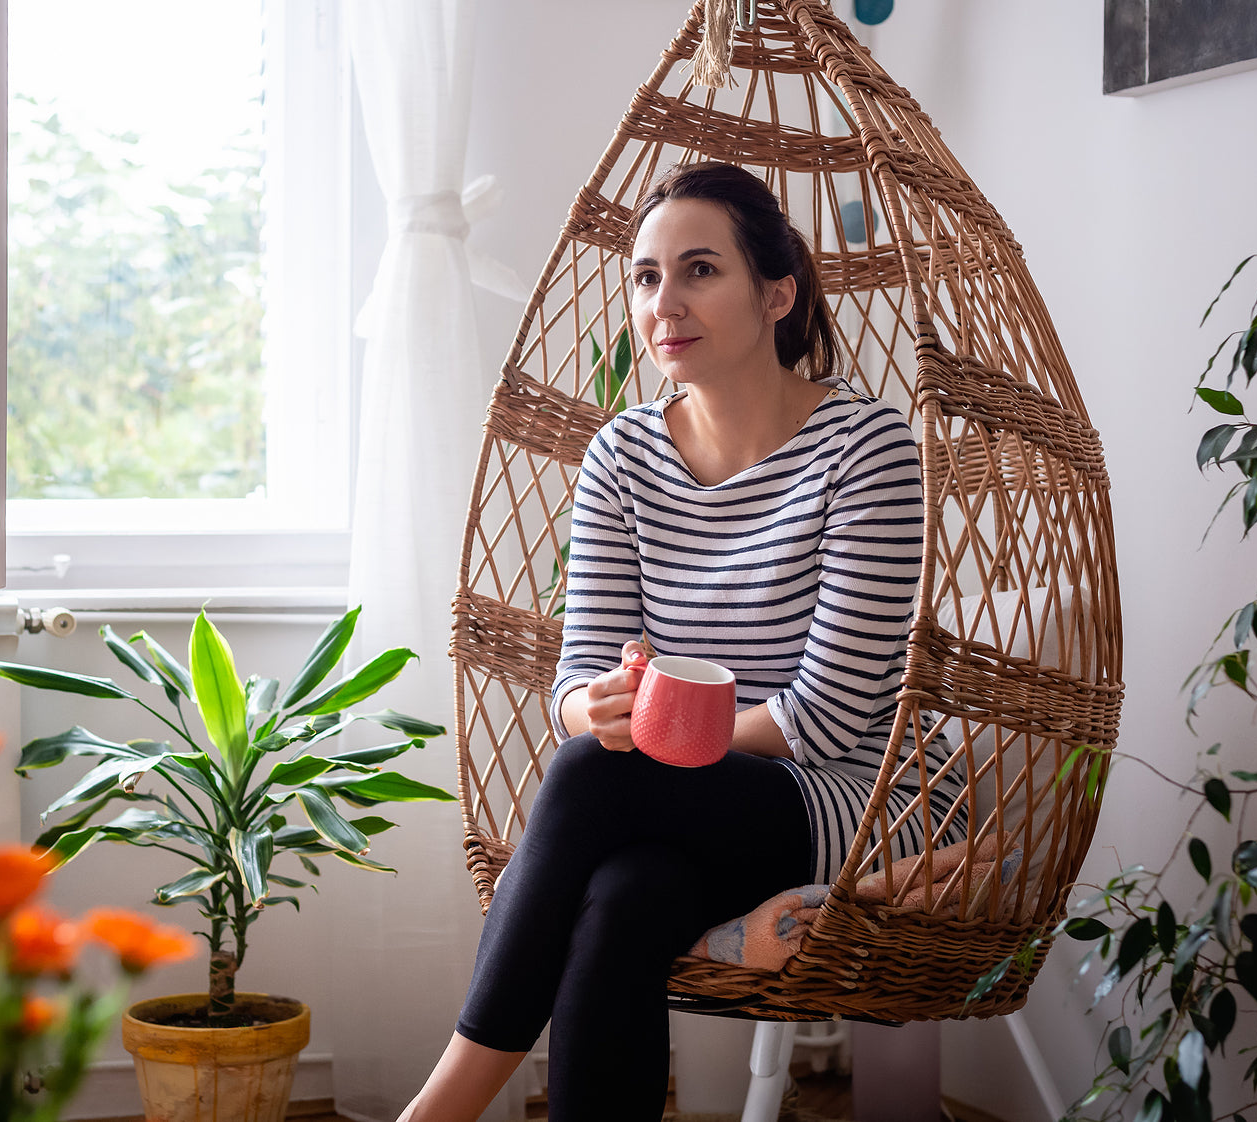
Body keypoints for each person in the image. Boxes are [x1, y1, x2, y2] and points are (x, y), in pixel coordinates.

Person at [397, 161, 966, 1122]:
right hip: (697, 798)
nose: (666, 302)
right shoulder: (623, 454)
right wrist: (599, 710)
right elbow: (578, 679)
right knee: (623, 896)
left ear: (777, 294)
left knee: (588, 779)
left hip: (863, 796)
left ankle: (440, 1110)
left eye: (700, 270)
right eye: (647, 277)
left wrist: (643, 746)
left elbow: (824, 723)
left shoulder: (867, 451)